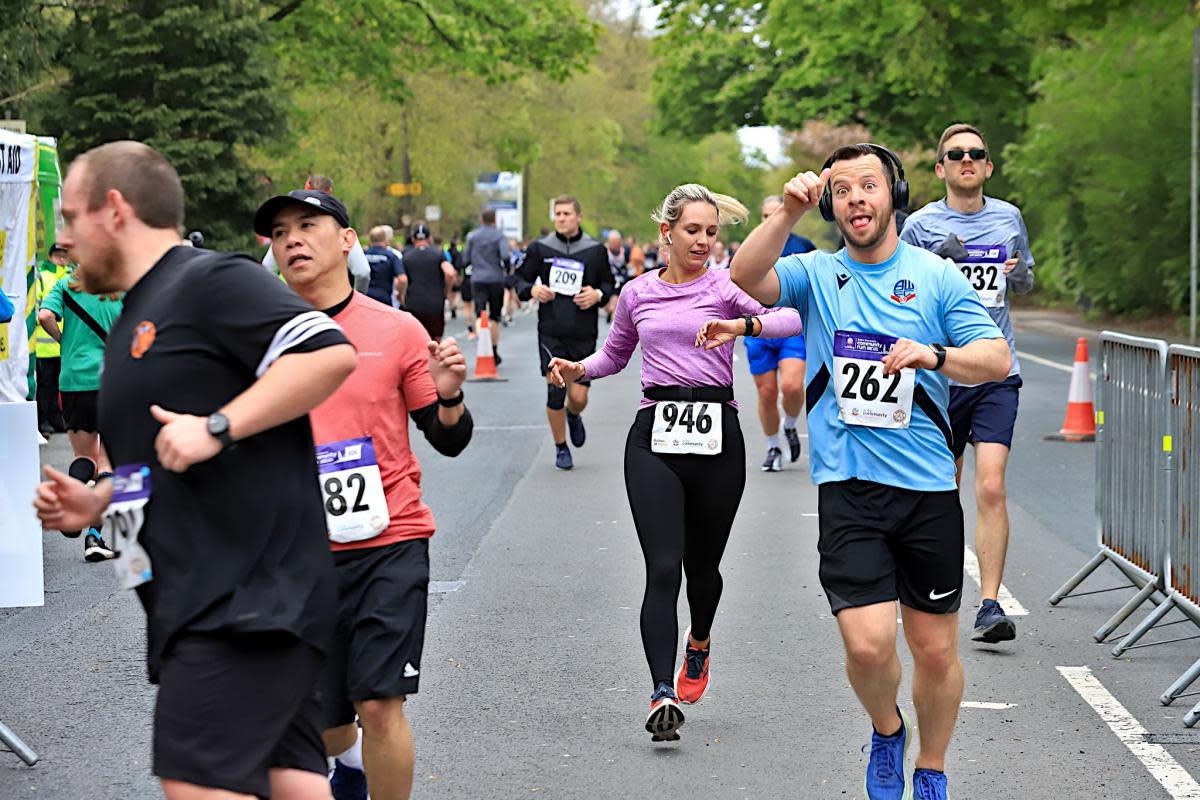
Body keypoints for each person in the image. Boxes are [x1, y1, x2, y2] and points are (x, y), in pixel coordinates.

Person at [33, 141, 357, 800]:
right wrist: (96, 507)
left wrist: (217, 427)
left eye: (70, 218)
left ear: (115, 210)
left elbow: (328, 353)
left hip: (242, 604)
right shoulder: (131, 321)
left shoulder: (208, 279)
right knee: (293, 781)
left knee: (197, 785)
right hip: (198, 609)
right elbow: (153, 466)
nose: (63, 240)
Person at [730, 144, 1010, 800]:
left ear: (894, 196)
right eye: (844, 189)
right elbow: (746, 277)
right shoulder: (817, 272)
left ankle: (932, 766)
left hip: (927, 489)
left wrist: (935, 356)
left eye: (870, 185)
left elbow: (995, 358)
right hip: (848, 486)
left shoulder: (936, 277)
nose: (858, 198)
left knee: (936, 651)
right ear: (831, 204)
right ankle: (888, 730)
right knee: (866, 645)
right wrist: (785, 213)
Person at [549, 184, 801, 742]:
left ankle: (700, 642)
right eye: (693, 231)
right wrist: (577, 369)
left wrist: (743, 326)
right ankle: (662, 691)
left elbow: (791, 320)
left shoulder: (729, 283)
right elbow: (614, 355)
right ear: (667, 233)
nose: (704, 242)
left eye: (712, 233)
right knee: (663, 568)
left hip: (717, 438)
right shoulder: (638, 293)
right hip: (655, 438)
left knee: (702, 570)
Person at [261, 192, 472, 800]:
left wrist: (451, 394)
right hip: (296, 554)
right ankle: (347, 760)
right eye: (280, 232)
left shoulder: (396, 329)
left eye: (308, 226)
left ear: (347, 240)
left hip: (390, 542)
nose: (293, 240)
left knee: (380, 704)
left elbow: (448, 440)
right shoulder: (255, 337)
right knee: (324, 727)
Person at [900, 123, 1034, 645]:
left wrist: (1015, 271)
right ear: (940, 168)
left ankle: (990, 604)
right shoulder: (921, 224)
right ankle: (934, 588)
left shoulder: (1008, 217)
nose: (966, 160)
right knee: (941, 489)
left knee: (992, 484)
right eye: (955, 154)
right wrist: (939, 267)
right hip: (942, 373)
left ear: (988, 166)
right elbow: (901, 287)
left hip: (997, 370)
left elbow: (1024, 280)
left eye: (976, 154)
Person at [514, 196, 613, 470]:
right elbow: (519, 280)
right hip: (551, 332)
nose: (561, 218)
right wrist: (533, 290)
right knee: (555, 392)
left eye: (566, 213)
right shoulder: (540, 248)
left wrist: (597, 294)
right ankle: (561, 448)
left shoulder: (594, 249)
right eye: (557, 213)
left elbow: (609, 283)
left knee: (578, 397)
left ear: (578, 217)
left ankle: (573, 414)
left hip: (583, 333)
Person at [38, 263, 124, 561]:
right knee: (108, 462)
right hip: (111, 380)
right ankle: (94, 537)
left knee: (84, 458)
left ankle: (70, 505)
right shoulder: (120, 285)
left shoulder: (65, 283)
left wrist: (63, 341)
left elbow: (44, 315)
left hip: (73, 380)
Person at [746, 195, 816, 472]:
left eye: (775, 214)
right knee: (766, 393)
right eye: (765, 216)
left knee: (792, 386)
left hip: (792, 326)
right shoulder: (751, 246)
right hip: (758, 327)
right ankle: (773, 446)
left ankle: (789, 425)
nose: (770, 220)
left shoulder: (802, 246)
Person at [262, 175, 370, 293]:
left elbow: (267, 268)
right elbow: (362, 272)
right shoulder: (337, 228)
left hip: (294, 302)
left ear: (306, 186)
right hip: (332, 302)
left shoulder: (288, 234)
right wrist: (356, 302)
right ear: (329, 191)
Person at [461, 208, 509, 361]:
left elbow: (465, 259)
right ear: (494, 219)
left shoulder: (473, 236)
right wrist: (506, 270)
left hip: (478, 278)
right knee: (494, 315)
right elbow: (505, 255)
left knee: (480, 312)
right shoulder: (499, 235)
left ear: (481, 220)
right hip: (496, 278)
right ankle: (493, 351)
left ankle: (482, 347)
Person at [34, 243, 71, 435]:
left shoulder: (71, 275)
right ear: (50, 256)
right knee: (45, 386)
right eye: (58, 255)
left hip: (65, 343)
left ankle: (57, 420)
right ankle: (43, 421)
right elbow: (38, 308)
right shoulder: (42, 274)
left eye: (64, 255)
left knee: (59, 385)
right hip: (44, 344)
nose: (61, 259)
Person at [401, 222, 457, 340]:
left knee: (414, 342)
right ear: (429, 238)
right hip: (434, 305)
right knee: (435, 343)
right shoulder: (438, 253)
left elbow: (401, 280)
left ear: (412, 239)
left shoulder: (406, 256)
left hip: (413, 304)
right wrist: (446, 291)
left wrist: (401, 297)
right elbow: (450, 273)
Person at [364, 225, 407, 308]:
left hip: (365, 300)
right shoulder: (391, 256)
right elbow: (402, 279)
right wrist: (400, 295)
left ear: (370, 240)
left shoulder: (362, 255)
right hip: (383, 301)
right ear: (385, 239)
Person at [603, 229, 630, 322]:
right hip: (609, 281)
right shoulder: (604, 252)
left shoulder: (625, 251)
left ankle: (614, 319)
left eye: (616, 242)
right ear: (608, 242)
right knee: (609, 305)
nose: (614, 244)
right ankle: (610, 312)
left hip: (621, 281)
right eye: (612, 242)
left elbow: (630, 264)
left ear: (620, 242)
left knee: (616, 302)